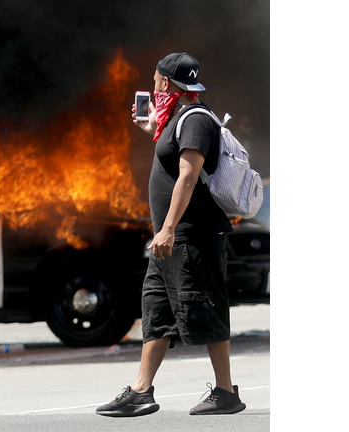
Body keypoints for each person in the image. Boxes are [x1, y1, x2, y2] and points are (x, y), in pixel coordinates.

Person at [95, 52, 245, 417]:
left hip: (191, 237)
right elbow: (172, 161)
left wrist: (168, 228)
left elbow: (189, 176)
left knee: (204, 305)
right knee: (156, 309)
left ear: (167, 83)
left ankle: (226, 391)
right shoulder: (178, 119)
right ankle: (141, 391)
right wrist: (154, 132)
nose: (154, 84)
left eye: (158, 79)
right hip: (172, 240)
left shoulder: (195, 121)